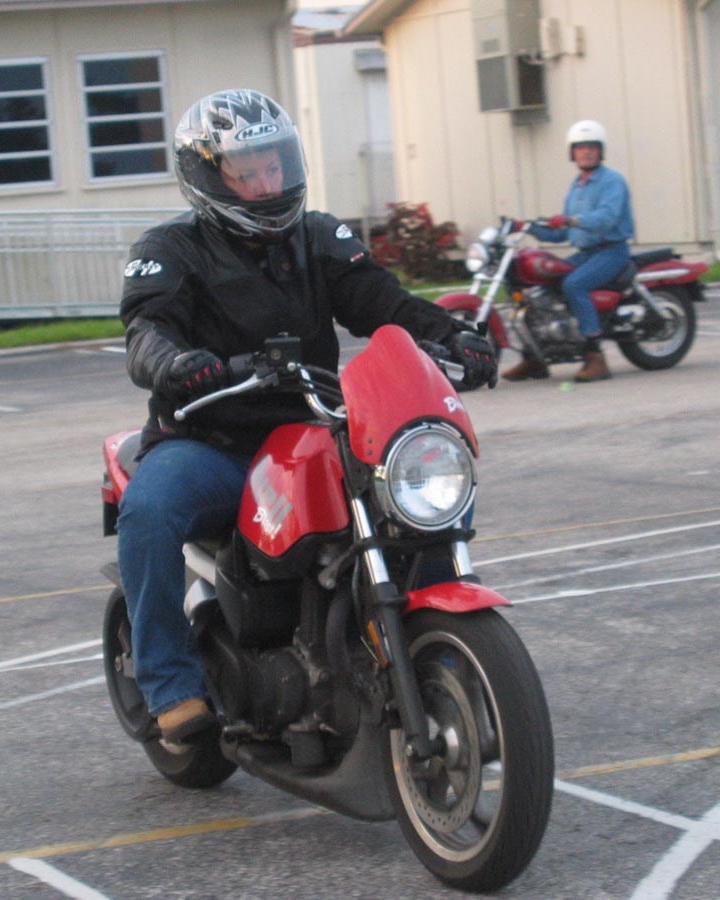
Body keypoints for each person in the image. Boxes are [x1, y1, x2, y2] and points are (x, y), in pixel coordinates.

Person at [116, 89, 496, 745]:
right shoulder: (170, 249)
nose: (268, 184)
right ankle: (170, 686)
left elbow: (384, 304)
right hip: (212, 441)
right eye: (248, 172)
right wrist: (178, 363)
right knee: (150, 510)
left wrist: (453, 335)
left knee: (406, 498)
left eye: (275, 166)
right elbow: (146, 331)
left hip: (310, 431)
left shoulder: (318, 237)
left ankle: (422, 642)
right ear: (209, 179)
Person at [502, 119, 636, 383]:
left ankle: (595, 356)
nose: (586, 152)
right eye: (580, 147)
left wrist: (571, 220)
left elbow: (606, 217)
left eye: (592, 147)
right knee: (538, 287)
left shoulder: (612, 181)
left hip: (612, 251)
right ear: (572, 152)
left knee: (574, 284)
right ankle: (535, 358)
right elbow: (561, 233)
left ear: (600, 151)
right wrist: (528, 227)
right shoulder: (576, 186)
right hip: (586, 253)